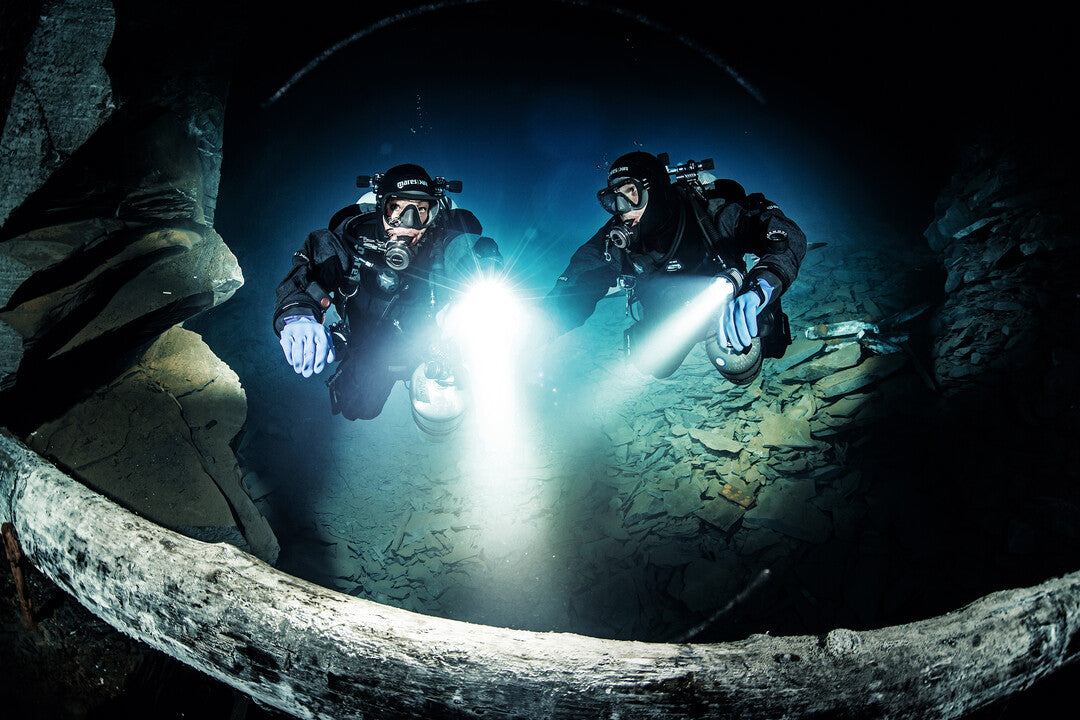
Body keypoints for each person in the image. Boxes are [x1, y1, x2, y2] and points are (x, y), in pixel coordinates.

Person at [541, 150, 806, 385]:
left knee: (741, 365)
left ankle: (747, 328)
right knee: (653, 364)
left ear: (654, 190)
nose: (622, 210)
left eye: (630, 193)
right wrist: (539, 329)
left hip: (724, 301)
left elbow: (783, 233)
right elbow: (578, 283)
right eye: (614, 199)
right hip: (672, 315)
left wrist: (761, 287)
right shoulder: (616, 240)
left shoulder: (710, 213)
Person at [273, 163, 501, 423]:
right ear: (381, 208)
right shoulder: (353, 240)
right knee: (358, 409)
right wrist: (298, 313)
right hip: (370, 347)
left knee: (444, 411)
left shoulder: (442, 243)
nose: (409, 223)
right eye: (397, 209)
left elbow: (467, 250)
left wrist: (481, 285)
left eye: (421, 211)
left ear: (434, 214)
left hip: (428, 348)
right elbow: (318, 258)